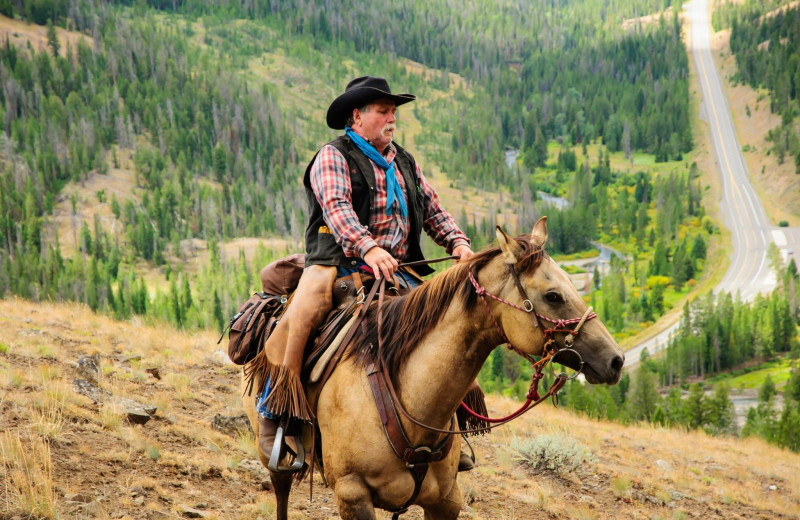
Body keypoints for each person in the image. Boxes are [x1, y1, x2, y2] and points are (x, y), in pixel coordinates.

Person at [255, 75, 479, 472]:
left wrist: (458, 244)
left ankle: (455, 426)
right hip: (336, 262)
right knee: (302, 316)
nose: (392, 119)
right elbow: (337, 209)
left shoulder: (404, 160)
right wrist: (369, 247)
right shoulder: (333, 156)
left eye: (393, 111)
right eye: (383, 111)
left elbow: (433, 210)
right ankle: (276, 412)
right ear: (357, 116)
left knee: (453, 323)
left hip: (399, 269)